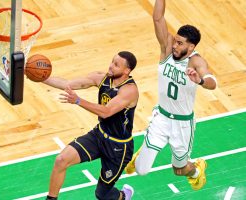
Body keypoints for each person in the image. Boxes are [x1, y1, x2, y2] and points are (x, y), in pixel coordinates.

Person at [125, 0, 217, 191]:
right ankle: (147, 146)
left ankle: (196, 170)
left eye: (180, 43)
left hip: (182, 124)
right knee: (141, 170)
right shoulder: (167, 49)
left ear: (191, 47)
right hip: (162, 118)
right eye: (175, 40)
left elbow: (212, 83)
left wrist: (199, 81)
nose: (175, 45)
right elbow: (157, 17)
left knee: (179, 169)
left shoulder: (196, 62)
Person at [44, 51, 139, 200]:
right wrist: (33, 74)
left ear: (127, 71)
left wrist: (78, 101)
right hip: (99, 135)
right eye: (112, 62)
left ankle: (123, 196)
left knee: (103, 194)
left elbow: (106, 112)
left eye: (116, 65)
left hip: (118, 147)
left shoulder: (129, 91)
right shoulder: (101, 78)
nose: (111, 66)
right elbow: (66, 84)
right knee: (61, 160)